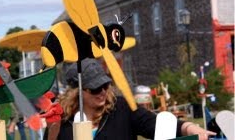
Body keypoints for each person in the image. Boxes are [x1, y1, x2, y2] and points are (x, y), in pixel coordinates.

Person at [46, 58, 216, 140]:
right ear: (77, 91)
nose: (103, 92)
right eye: (95, 88)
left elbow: (156, 124)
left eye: (105, 85)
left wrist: (191, 129)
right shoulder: (62, 121)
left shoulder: (121, 108)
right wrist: (53, 130)